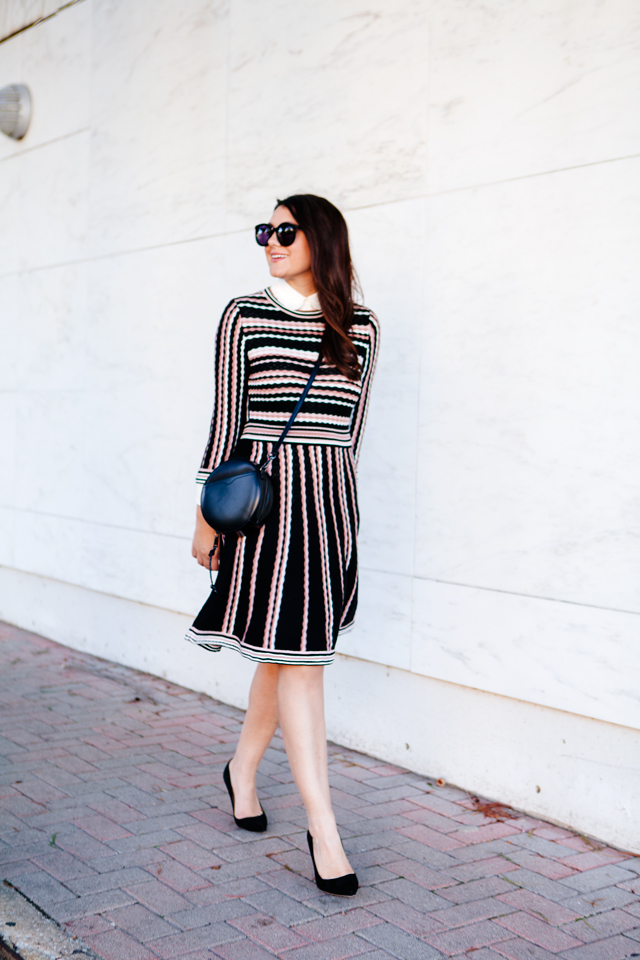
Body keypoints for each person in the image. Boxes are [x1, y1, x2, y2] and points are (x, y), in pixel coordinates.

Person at [187, 194, 379, 896]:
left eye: (285, 231)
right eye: (265, 230)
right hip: (265, 510)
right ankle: (324, 830)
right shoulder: (243, 316)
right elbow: (226, 420)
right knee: (299, 661)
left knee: (288, 651)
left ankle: (242, 769)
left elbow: (351, 434)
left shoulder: (362, 327)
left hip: (328, 508)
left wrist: (341, 516)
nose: (270, 240)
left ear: (321, 240)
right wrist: (206, 515)